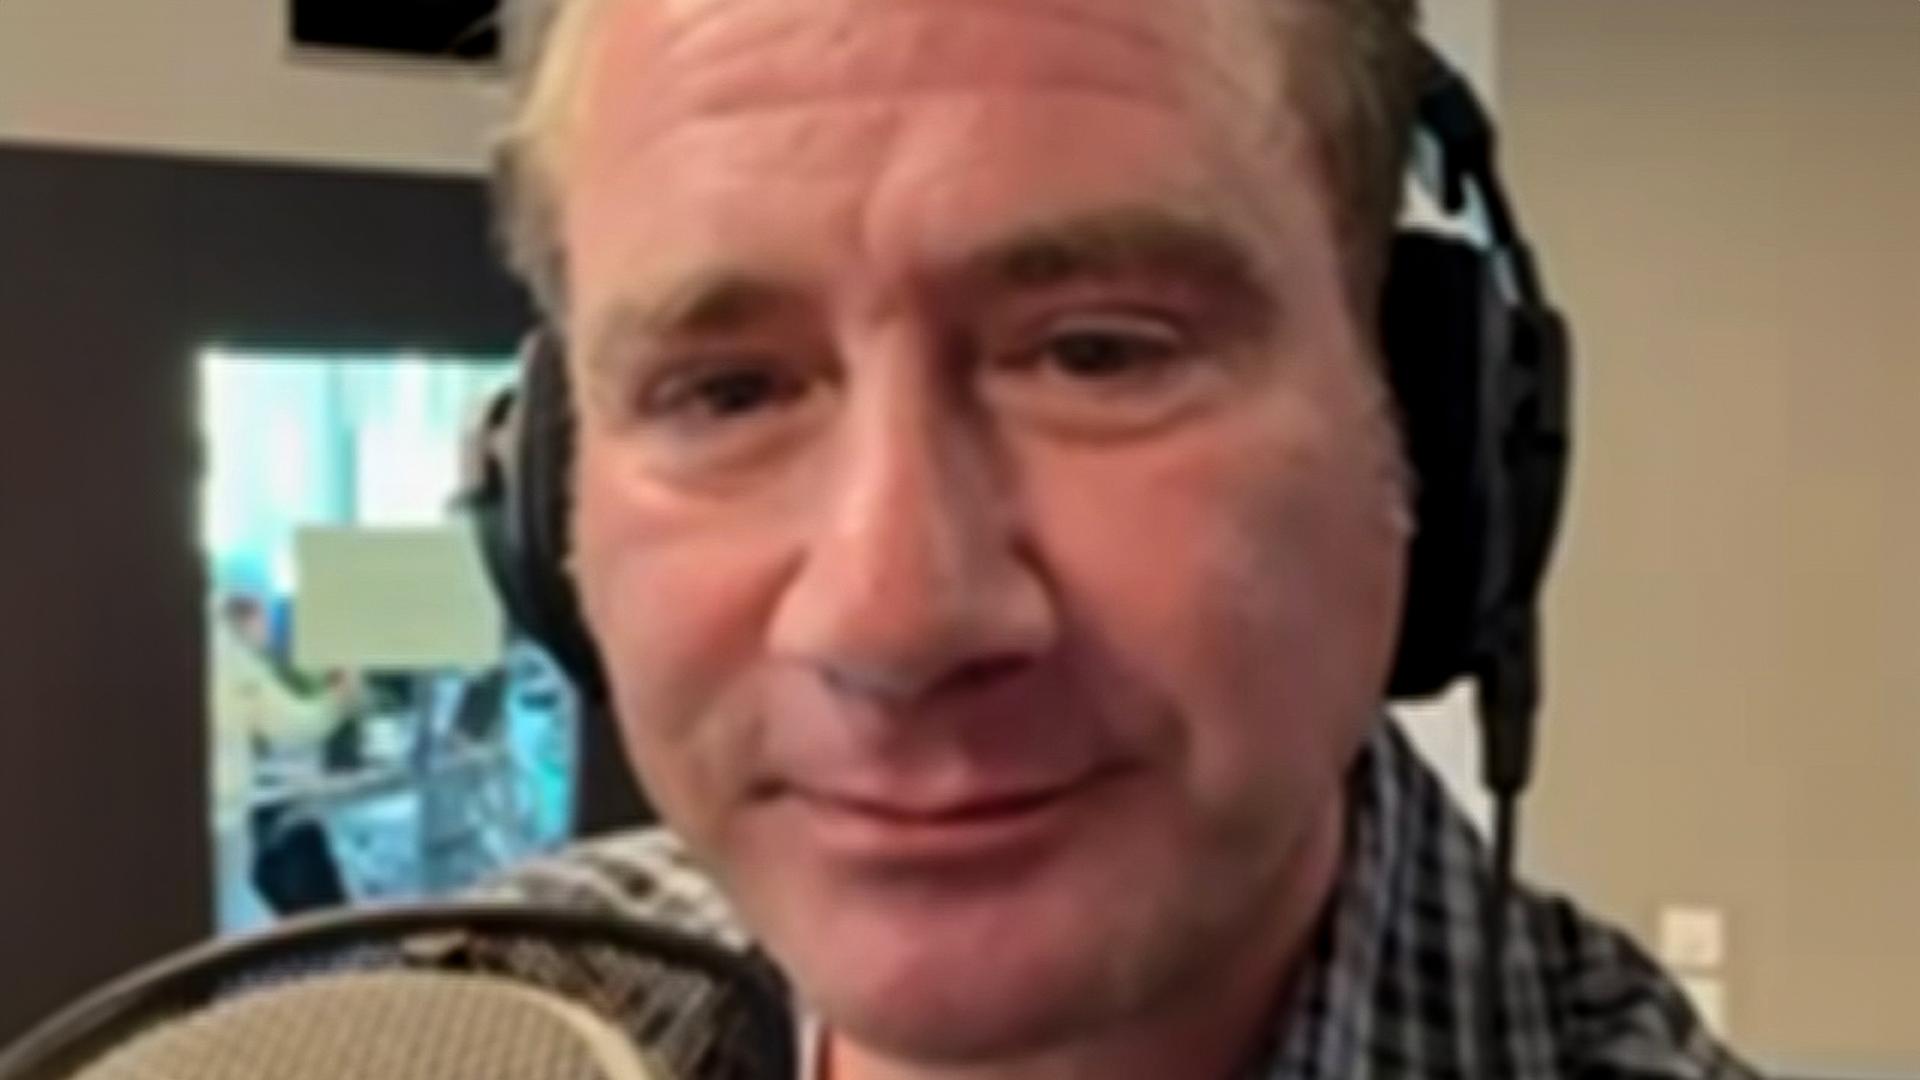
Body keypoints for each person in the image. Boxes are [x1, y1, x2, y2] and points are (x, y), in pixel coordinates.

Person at [479, 0, 1758, 1076]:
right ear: (552, 500)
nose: (890, 619)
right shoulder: (463, 1015)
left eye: (1097, 355)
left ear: (1426, 431)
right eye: (726, 393)